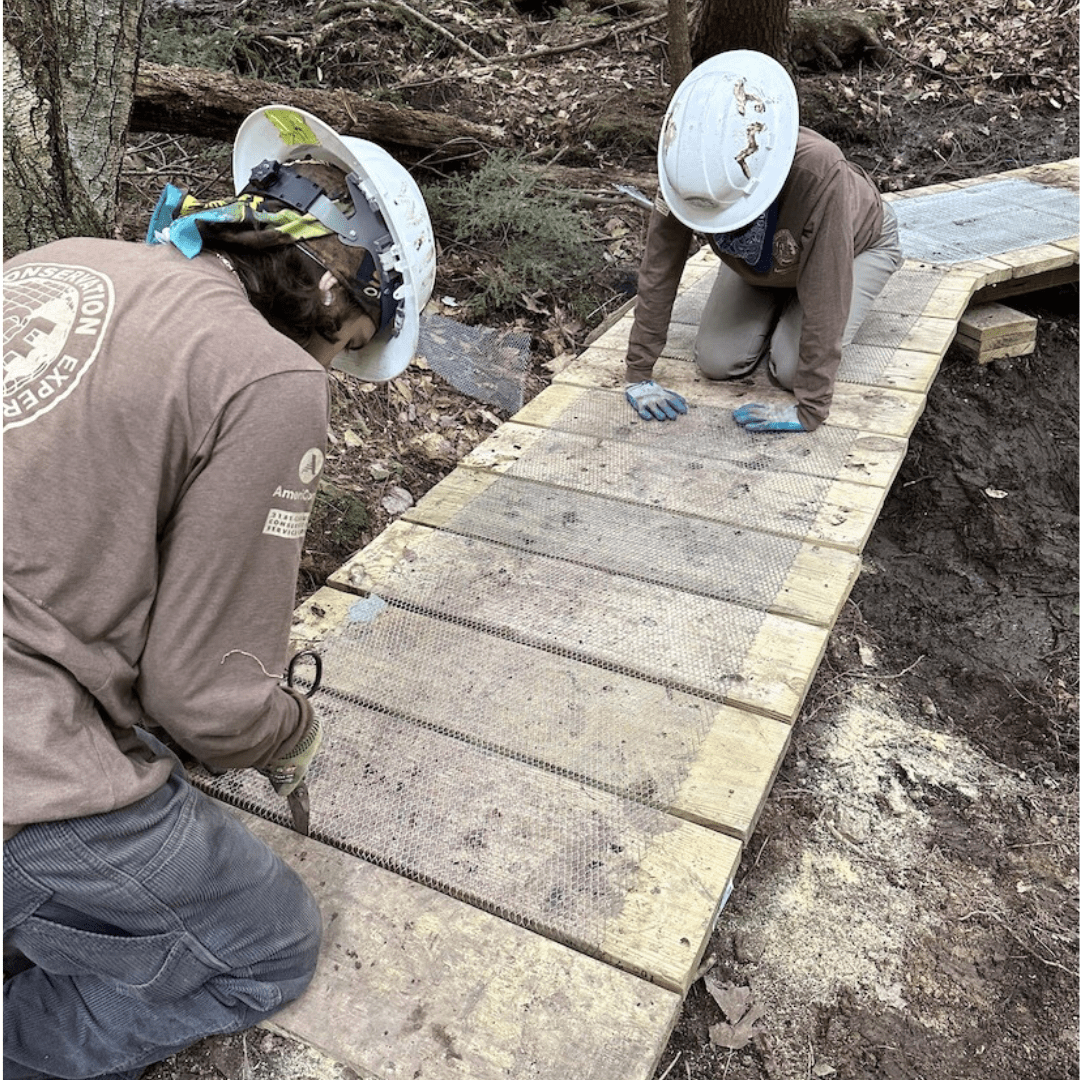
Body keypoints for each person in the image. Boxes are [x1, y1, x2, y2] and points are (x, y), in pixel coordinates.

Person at [3, 105, 436, 1080]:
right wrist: (290, 732)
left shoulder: (66, 263)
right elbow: (204, 698)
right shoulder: (270, 375)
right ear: (338, 290)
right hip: (18, 768)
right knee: (272, 941)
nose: (334, 367)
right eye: (351, 341)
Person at [623, 50, 903, 431]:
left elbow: (827, 287)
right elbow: (660, 266)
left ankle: (790, 306)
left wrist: (811, 408)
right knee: (716, 361)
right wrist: (639, 371)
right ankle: (782, 297)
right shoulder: (684, 164)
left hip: (856, 246)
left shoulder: (820, 173)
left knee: (791, 370)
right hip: (765, 262)